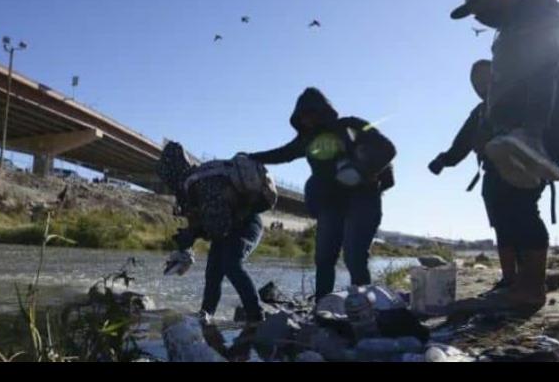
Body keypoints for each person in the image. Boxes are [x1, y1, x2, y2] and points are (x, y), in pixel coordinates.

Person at [449, 0, 559, 312]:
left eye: (478, 8)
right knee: (501, 199)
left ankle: (530, 289)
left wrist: (532, 131)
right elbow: (500, 93)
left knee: (518, 202)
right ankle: (515, 283)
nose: (477, 17)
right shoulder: (511, 27)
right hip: (512, 130)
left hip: (543, 126)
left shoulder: (540, 15)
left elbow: (544, 72)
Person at [247, 88, 396, 301]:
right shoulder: (306, 141)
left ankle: (365, 308)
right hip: (331, 205)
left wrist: (362, 172)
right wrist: (250, 157)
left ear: (322, 112)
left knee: (354, 257)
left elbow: (388, 148)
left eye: (310, 114)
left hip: (363, 199)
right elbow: (282, 154)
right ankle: (322, 308)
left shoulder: (350, 125)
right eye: (302, 117)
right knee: (324, 259)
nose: (306, 121)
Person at [157, 141, 265, 325]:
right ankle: (206, 314)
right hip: (229, 227)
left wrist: (194, 234)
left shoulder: (203, 182)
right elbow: (201, 223)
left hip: (246, 224)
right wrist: (186, 245)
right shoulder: (187, 188)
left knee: (231, 265)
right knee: (213, 272)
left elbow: (218, 226)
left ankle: (256, 317)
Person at [429, 60, 511, 295]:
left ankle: (528, 280)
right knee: (501, 224)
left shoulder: (517, 98)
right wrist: (443, 160)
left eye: (485, 78)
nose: (480, 85)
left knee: (521, 219)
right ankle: (509, 278)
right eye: (475, 82)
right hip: (492, 172)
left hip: (520, 169)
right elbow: (462, 143)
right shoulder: (479, 112)